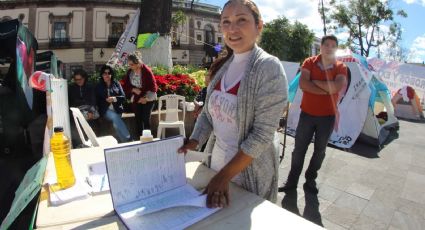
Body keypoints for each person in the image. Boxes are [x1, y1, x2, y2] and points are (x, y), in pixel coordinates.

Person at [178, 0, 288, 208]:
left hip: (248, 173)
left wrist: (223, 177)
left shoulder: (269, 67)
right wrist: (193, 142)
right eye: (226, 22)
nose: (232, 28)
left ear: (259, 26)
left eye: (241, 20)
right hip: (216, 163)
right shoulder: (224, 66)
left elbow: (262, 134)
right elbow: (209, 115)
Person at [279, 35, 348, 194]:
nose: (329, 48)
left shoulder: (341, 66)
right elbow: (303, 84)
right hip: (307, 115)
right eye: (327, 45)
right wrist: (326, 89)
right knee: (298, 150)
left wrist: (314, 82)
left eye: (333, 45)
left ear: (336, 49)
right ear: (321, 47)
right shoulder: (309, 62)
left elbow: (337, 87)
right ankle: (291, 181)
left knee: (320, 152)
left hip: (328, 117)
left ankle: (310, 180)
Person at [121, 51, 158, 137]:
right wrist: (133, 89)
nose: (130, 66)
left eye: (132, 64)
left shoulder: (146, 71)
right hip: (136, 98)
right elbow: (125, 86)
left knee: (145, 118)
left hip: (148, 98)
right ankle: (139, 139)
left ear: (137, 63)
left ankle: (147, 138)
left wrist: (145, 98)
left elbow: (153, 87)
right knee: (138, 119)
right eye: (129, 64)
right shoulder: (130, 72)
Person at [95, 65, 131, 143]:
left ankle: (124, 142)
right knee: (115, 117)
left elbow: (123, 97)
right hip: (105, 110)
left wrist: (114, 99)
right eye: (105, 73)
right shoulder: (98, 86)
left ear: (111, 74)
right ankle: (128, 137)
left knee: (116, 124)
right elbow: (97, 100)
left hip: (117, 109)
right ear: (102, 75)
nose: (107, 75)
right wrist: (106, 101)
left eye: (109, 73)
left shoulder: (116, 83)